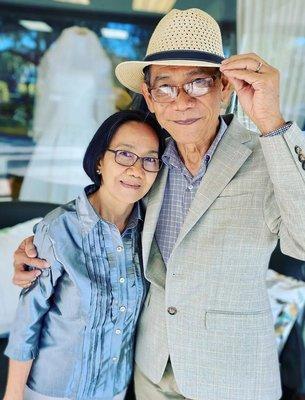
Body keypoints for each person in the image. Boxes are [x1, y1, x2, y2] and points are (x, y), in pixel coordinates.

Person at [12, 8, 305, 400]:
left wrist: (273, 122)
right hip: (150, 370)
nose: (181, 101)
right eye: (165, 87)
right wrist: (42, 244)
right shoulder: (149, 161)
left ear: (224, 87)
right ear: (149, 96)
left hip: (232, 378)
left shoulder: (268, 154)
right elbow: (102, 210)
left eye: (198, 83)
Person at [4, 110, 165, 400]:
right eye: (125, 154)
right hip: (54, 390)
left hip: (114, 389)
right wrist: (13, 396)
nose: (136, 170)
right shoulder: (59, 228)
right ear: (100, 160)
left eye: (150, 159)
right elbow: (28, 321)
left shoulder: (149, 231)